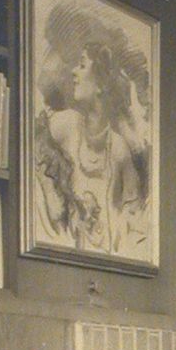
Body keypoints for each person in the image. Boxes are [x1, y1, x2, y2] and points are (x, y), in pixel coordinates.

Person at [34, 27, 151, 259]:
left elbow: (136, 224)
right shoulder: (64, 124)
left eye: (82, 65)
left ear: (101, 84)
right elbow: (35, 163)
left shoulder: (119, 149)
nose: (74, 73)